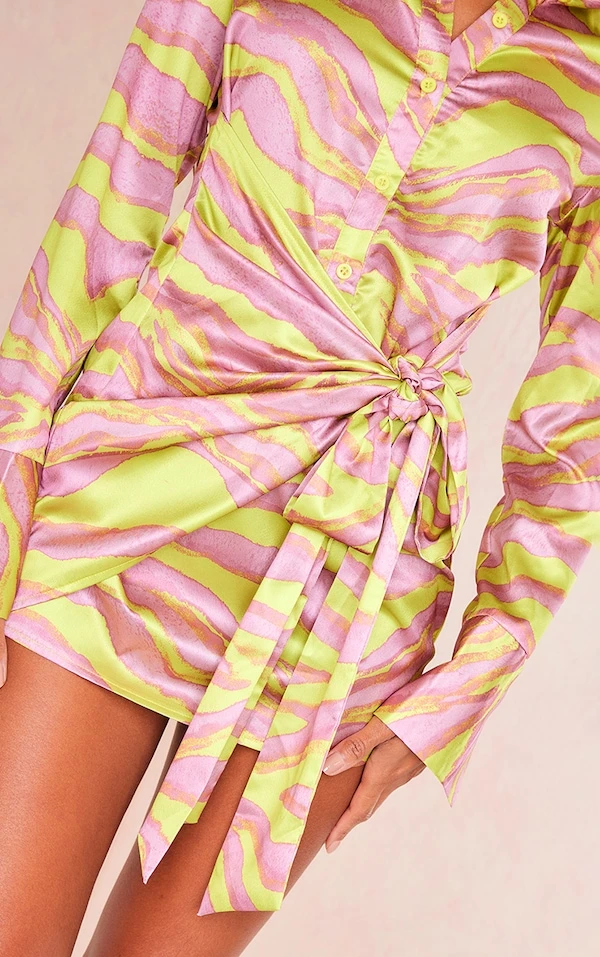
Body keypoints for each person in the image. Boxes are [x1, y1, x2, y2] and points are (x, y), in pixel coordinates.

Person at [1, 0, 599, 953]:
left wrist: (465, 685)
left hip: (349, 591)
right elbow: (107, 212)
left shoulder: (586, 72)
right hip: (128, 502)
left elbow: (575, 438)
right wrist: (11, 485)